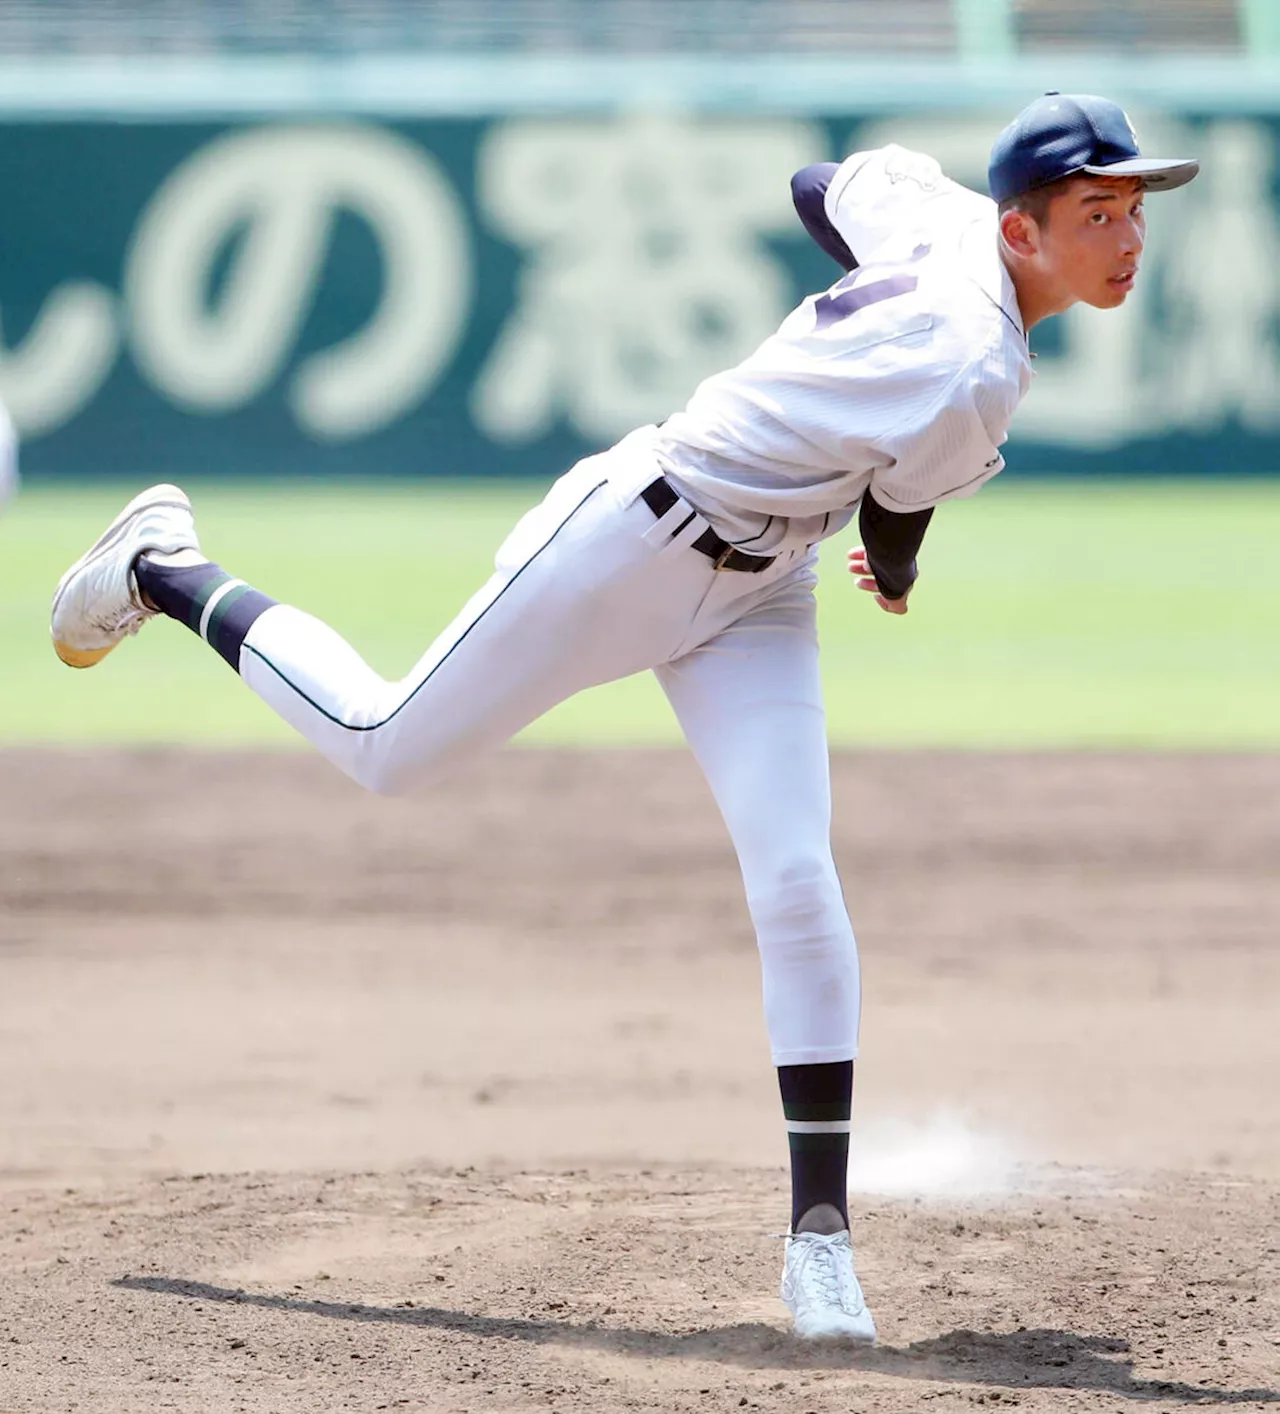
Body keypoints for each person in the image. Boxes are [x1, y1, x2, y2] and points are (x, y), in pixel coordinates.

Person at [49, 94, 1197, 1342]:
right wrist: (903, 576)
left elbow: (820, 184)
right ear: (1022, 234)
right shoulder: (973, 358)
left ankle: (819, 1246)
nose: (1126, 237)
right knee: (384, 746)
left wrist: (875, 283)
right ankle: (164, 567)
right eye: (1096, 212)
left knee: (796, 877)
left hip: (763, 585)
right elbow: (893, 521)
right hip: (629, 540)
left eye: (1133, 207)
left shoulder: (937, 218)